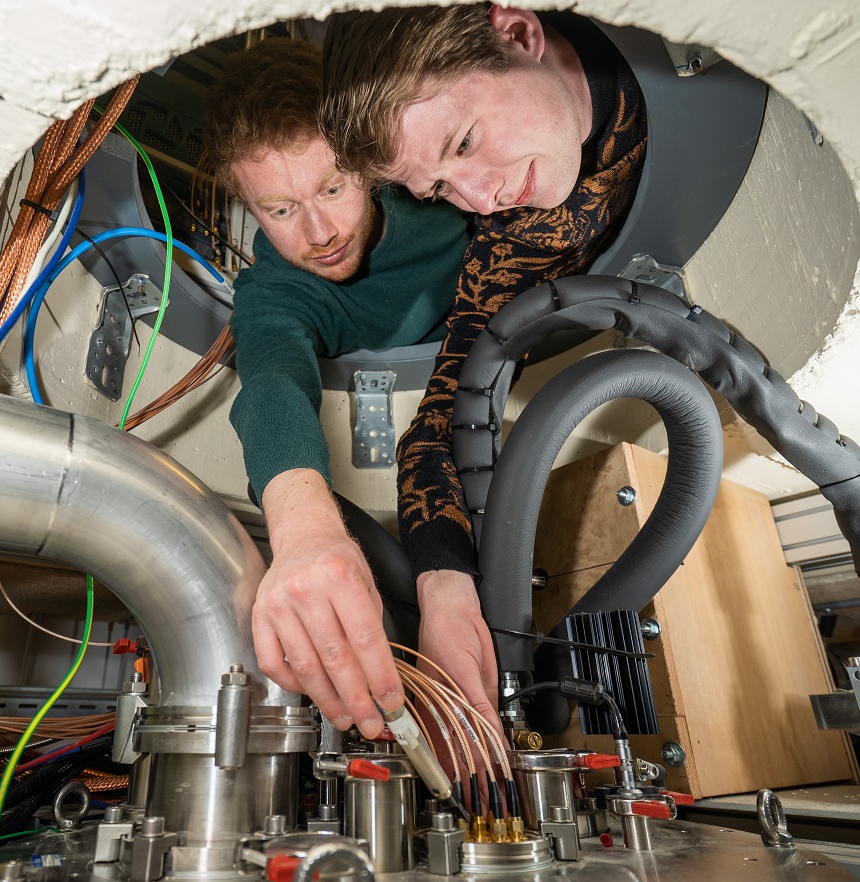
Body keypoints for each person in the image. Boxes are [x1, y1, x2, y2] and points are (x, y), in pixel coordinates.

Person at [320, 4, 648, 725]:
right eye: (438, 189)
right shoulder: (507, 247)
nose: (480, 200)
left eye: (464, 141)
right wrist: (443, 585)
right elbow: (442, 419)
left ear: (520, 34)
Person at [203, 38, 470, 738]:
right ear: (248, 209)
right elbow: (271, 384)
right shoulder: (276, 293)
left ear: (365, 161)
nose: (320, 233)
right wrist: (305, 533)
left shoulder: (445, 193)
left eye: (331, 187)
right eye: (281, 210)